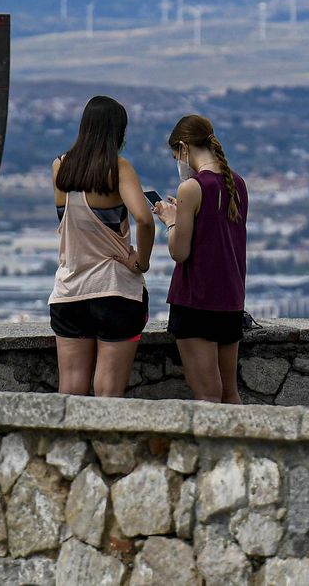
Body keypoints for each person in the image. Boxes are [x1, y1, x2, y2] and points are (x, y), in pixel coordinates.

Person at [50, 95, 154, 397]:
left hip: (69, 290)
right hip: (115, 290)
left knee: (70, 388)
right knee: (108, 392)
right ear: (116, 132)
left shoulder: (60, 167)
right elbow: (144, 220)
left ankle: (70, 443)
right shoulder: (119, 169)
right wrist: (140, 262)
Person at [154, 114, 249, 403]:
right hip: (230, 300)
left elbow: (179, 252)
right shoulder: (238, 184)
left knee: (207, 396)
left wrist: (171, 220)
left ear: (184, 148)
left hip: (195, 301)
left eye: (176, 156)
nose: (178, 163)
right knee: (230, 394)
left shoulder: (191, 188)